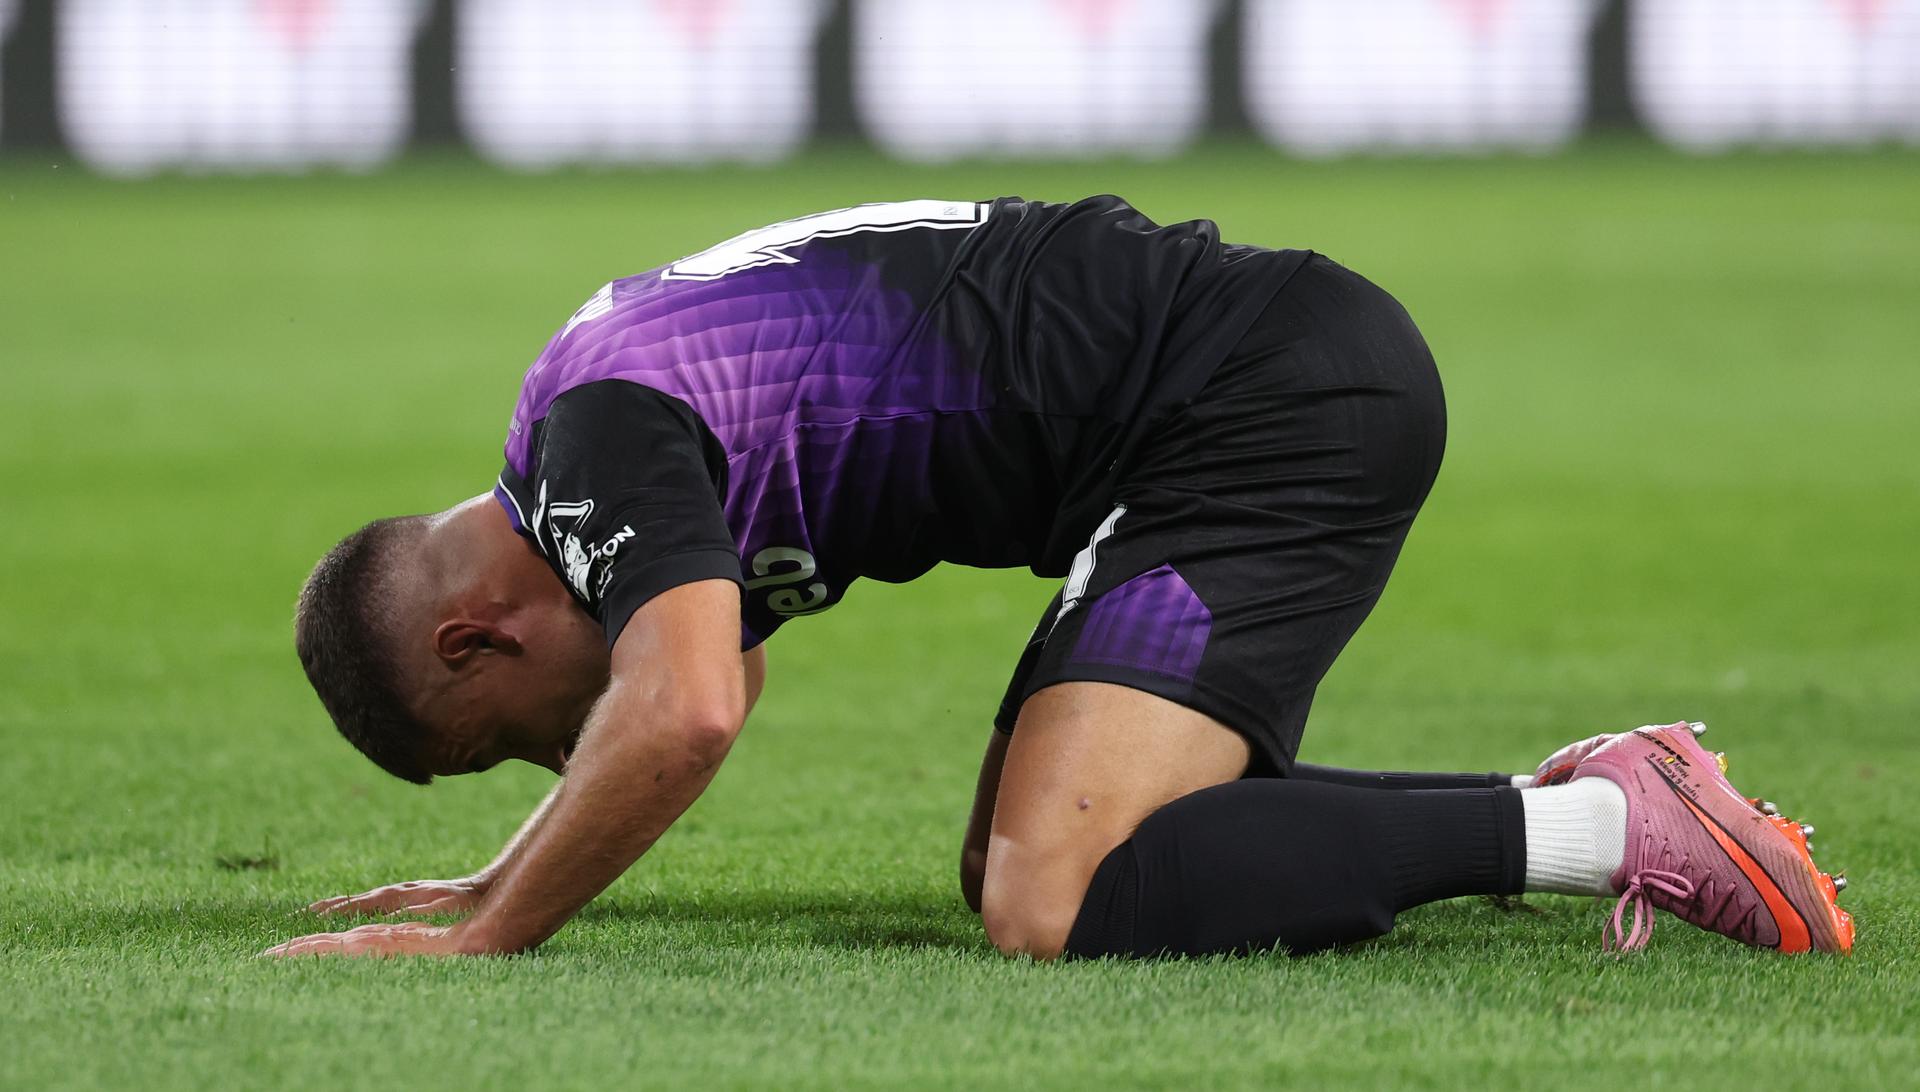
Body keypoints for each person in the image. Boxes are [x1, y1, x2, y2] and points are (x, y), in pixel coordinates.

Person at [267, 197, 1852, 960]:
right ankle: (1583, 795)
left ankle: (1605, 828)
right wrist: (506, 869)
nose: (562, 752)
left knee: (1057, 893)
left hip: (1260, 407)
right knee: (1049, 869)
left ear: (474, 634)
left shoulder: (599, 447)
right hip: (1229, 401)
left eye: (513, 741)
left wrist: (486, 940)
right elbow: (713, 671)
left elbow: (676, 710)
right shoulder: (589, 428)